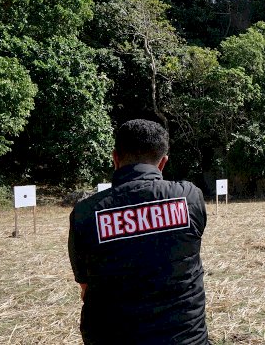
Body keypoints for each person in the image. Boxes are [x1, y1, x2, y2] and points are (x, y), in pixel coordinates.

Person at [68, 119, 209, 344]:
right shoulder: (189, 197)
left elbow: (85, 286)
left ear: (115, 158)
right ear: (163, 163)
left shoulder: (86, 213)